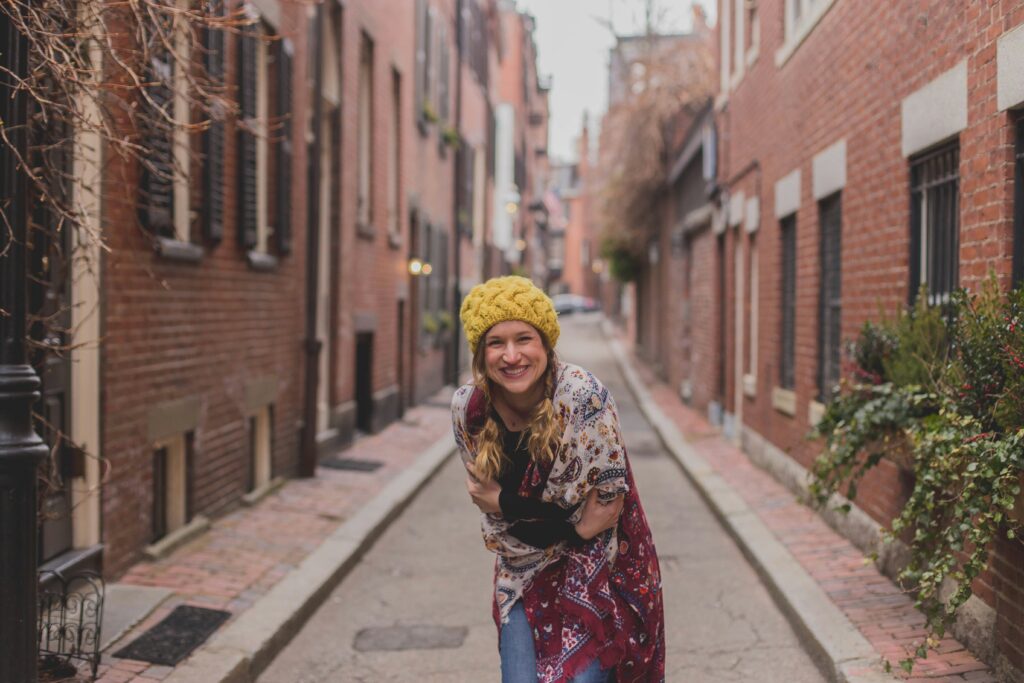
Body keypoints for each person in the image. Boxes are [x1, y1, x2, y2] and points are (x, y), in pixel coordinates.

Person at [451, 276, 665, 683]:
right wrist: (564, 523)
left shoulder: (582, 398)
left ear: (545, 344)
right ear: (481, 353)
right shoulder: (470, 411)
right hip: (520, 574)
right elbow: (503, 527)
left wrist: (508, 503)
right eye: (496, 342)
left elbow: (603, 512)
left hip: (596, 570)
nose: (511, 355)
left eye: (524, 339)